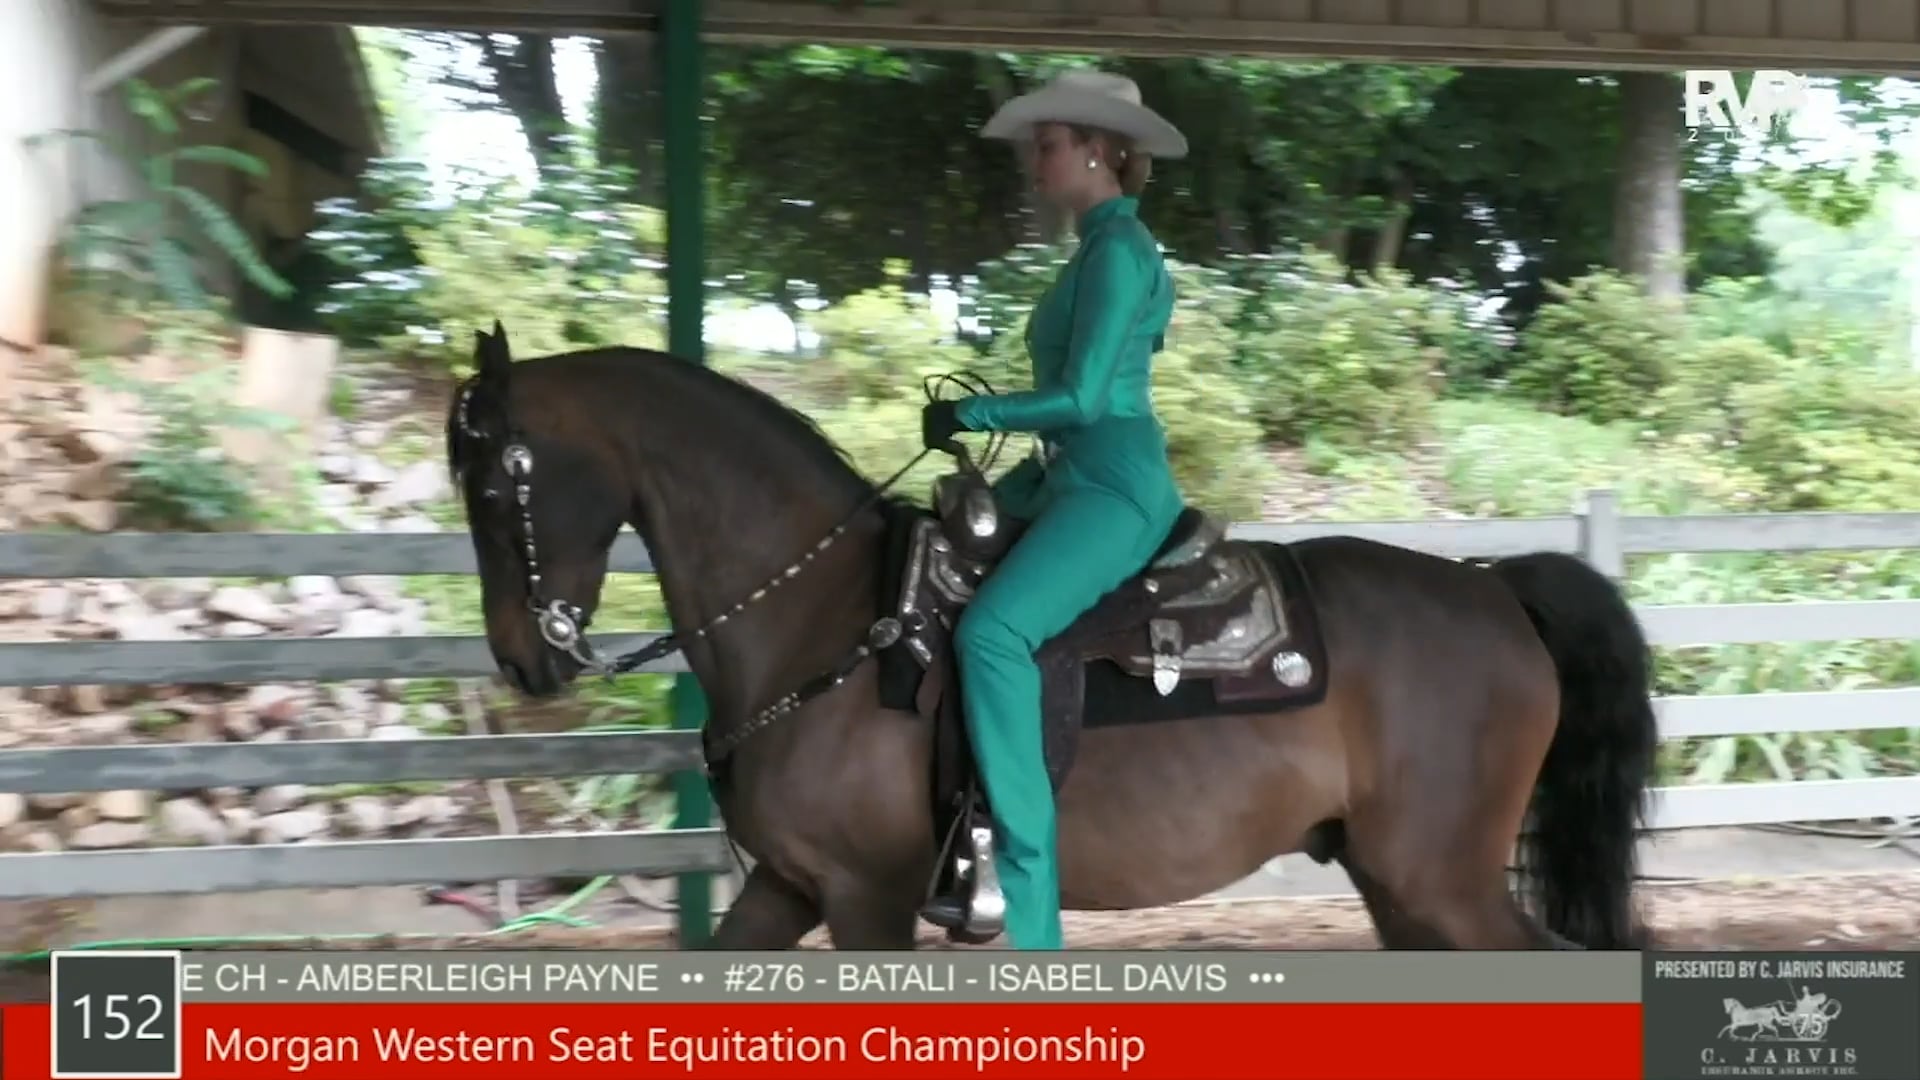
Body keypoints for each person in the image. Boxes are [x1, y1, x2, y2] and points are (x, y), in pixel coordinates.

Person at [919, 70, 1189, 950]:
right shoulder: (1096, 249)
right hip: (1065, 475)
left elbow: (1081, 397)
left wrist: (973, 413)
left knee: (993, 633)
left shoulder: (1119, 251)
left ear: (1099, 151)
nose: (1035, 161)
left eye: (1048, 145)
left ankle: (1024, 908)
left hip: (1112, 483)